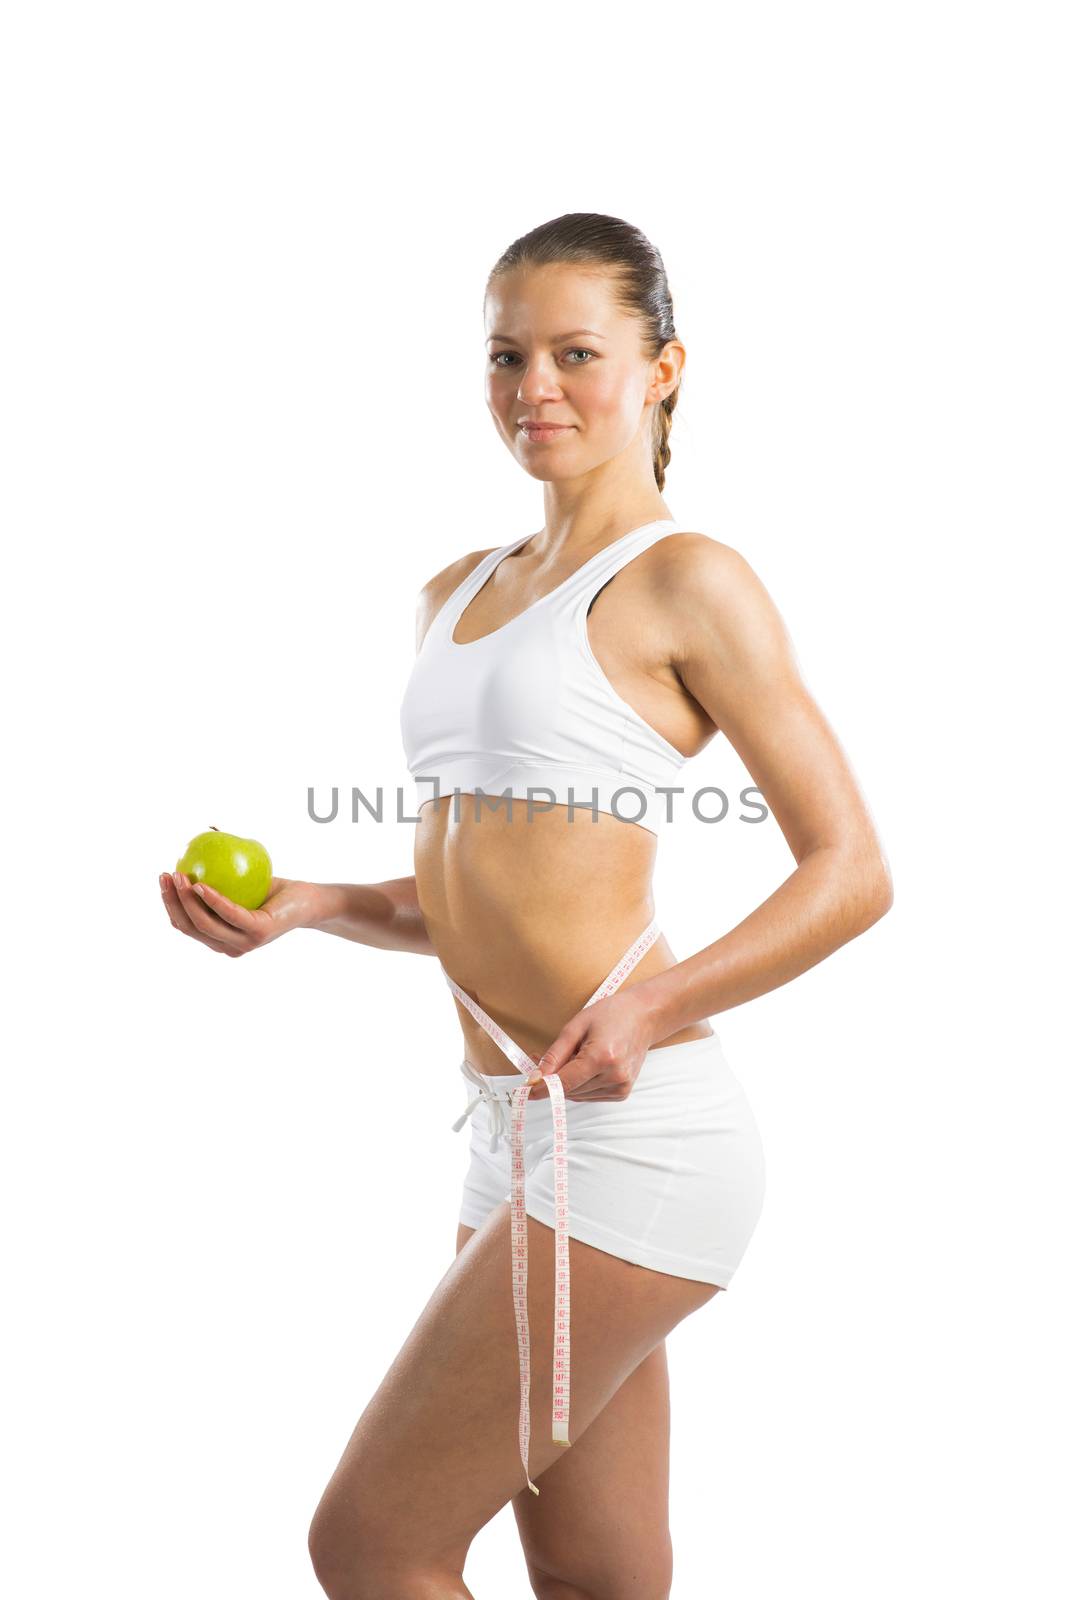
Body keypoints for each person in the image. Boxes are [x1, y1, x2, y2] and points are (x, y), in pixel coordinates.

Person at [161, 211, 893, 1600]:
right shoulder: (458, 593)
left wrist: (651, 1006)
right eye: (507, 355)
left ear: (664, 368)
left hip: (638, 1133)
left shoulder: (688, 581)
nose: (533, 388)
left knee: (374, 1543)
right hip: (512, 1132)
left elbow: (852, 871)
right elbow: (479, 892)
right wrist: (313, 903)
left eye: (577, 352)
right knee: (597, 1579)